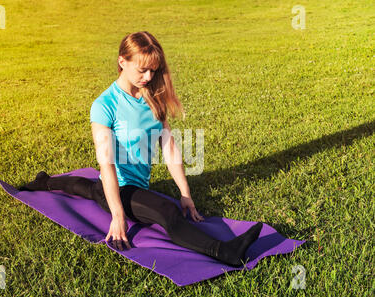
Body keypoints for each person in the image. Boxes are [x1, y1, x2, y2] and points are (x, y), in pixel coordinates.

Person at [20, 31, 262, 267]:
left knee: (87, 188)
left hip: (136, 185)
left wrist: (185, 193)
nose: (147, 76)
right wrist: (117, 215)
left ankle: (45, 181)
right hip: (119, 189)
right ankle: (224, 251)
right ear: (122, 61)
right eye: (142, 69)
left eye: (152, 70)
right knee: (165, 209)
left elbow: (169, 147)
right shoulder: (105, 105)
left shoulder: (152, 97)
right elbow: (107, 163)